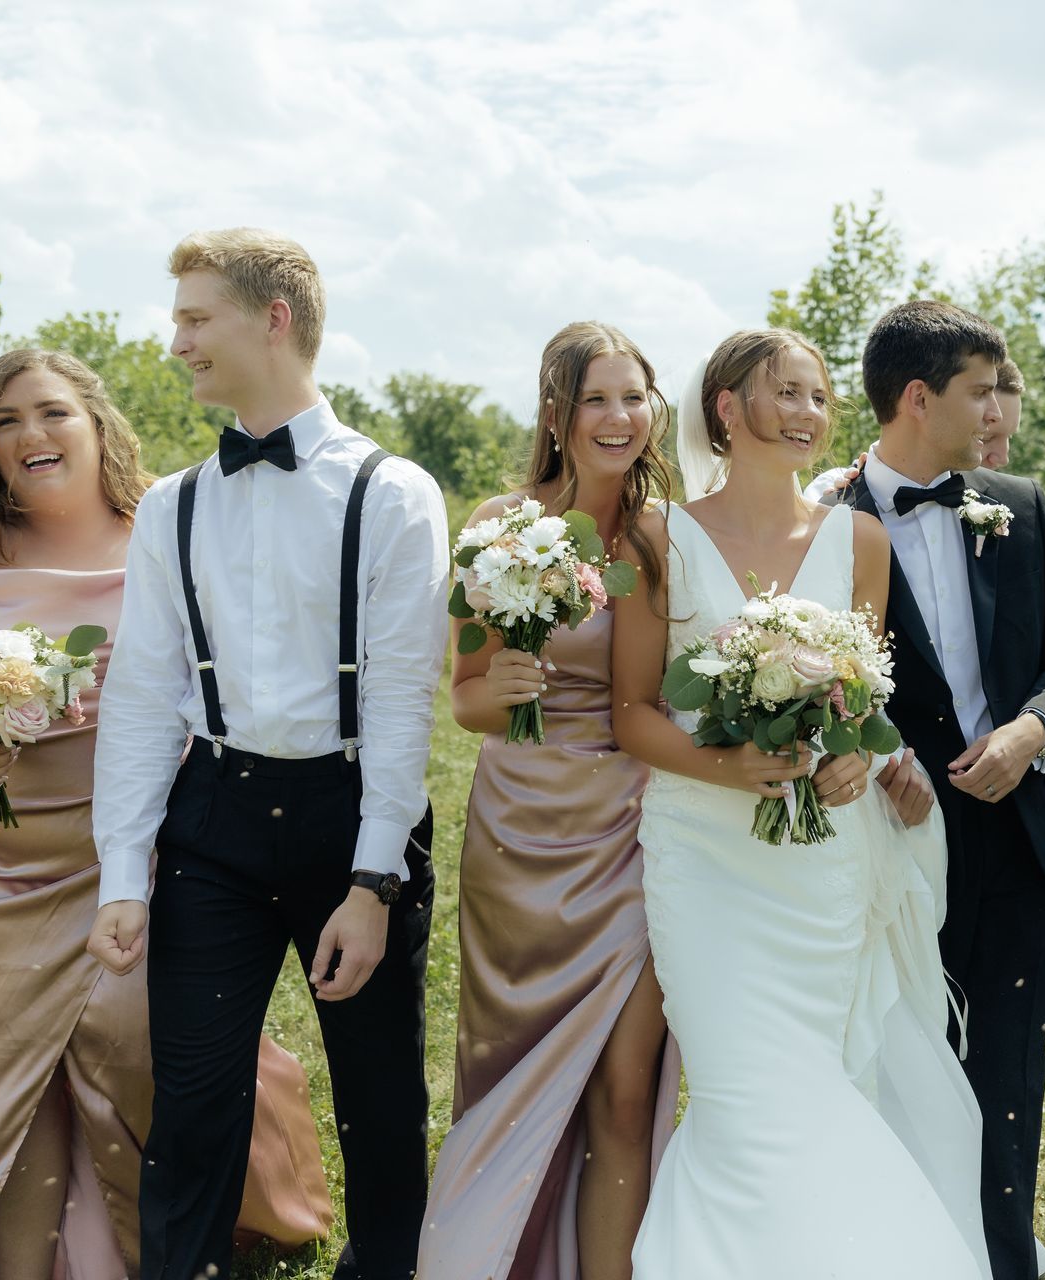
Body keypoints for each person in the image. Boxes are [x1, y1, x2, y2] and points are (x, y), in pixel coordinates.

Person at [0, 349, 333, 1278]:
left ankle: (195, 1224)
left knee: (137, 1054)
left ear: (98, 426)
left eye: (52, 413)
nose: (30, 435)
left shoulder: (163, 533)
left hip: (132, 851)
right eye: (6, 421)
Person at [87, 229, 448, 1280]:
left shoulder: (392, 491)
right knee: (193, 1098)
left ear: (273, 318)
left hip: (353, 814)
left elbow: (397, 702)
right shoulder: (172, 503)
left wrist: (375, 881)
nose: (178, 341)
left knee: (380, 1098)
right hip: (217, 818)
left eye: (197, 317)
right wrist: (124, 875)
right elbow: (147, 694)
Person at [613, 327, 990, 1278]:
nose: (806, 412)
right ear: (727, 410)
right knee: (741, 1091)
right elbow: (632, 713)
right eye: (784, 392)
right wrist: (728, 767)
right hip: (704, 857)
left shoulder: (859, 541)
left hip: (818, 864)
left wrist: (854, 764)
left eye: (819, 396)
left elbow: (858, 704)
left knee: (811, 1081)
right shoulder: (659, 536)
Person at [824, 305, 1045, 1280]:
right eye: (980, 389)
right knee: (903, 1061)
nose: (996, 408)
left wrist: (1032, 731)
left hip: (1021, 833)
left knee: (1010, 1068)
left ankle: (1002, 1256)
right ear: (918, 396)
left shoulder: (1019, 504)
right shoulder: (826, 522)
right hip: (889, 842)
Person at [420, 322, 680, 1280]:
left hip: (638, 833)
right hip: (523, 834)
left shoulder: (663, 536)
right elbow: (466, 698)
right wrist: (510, 687)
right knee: (510, 1069)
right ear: (558, 414)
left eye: (634, 396)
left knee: (625, 1085)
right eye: (597, 399)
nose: (618, 418)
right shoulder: (499, 523)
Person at [803, 355, 1024, 498]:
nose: (1003, 457)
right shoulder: (829, 494)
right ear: (921, 400)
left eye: (1010, 438)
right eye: (987, 437)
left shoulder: (1019, 506)